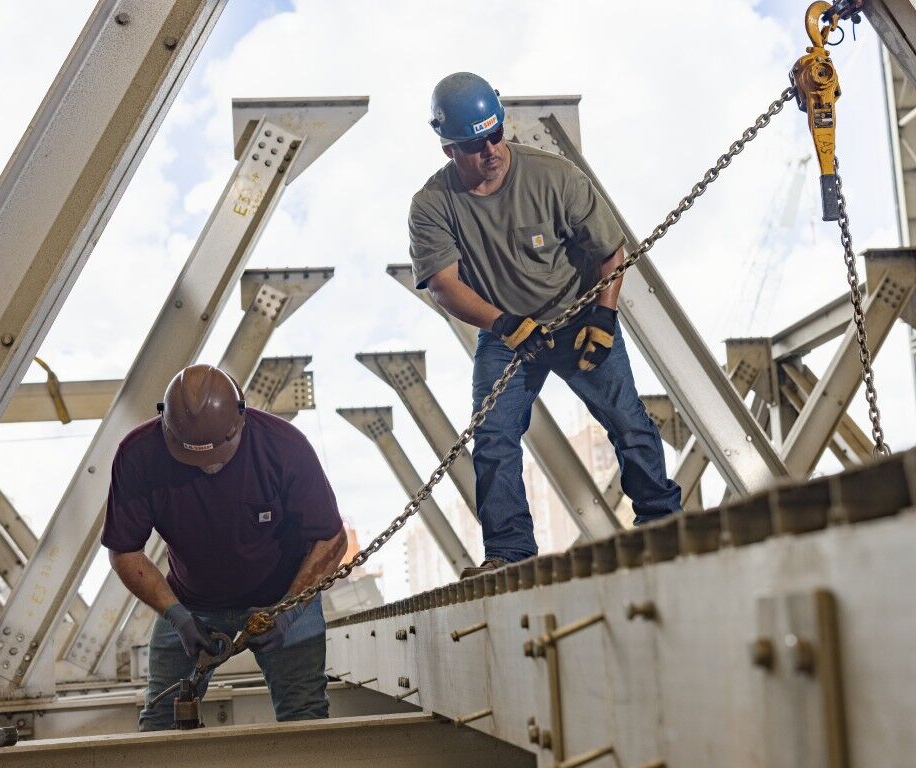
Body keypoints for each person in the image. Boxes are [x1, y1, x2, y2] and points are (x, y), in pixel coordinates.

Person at [409, 72, 682, 578]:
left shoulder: (552, 177)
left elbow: (609, 253)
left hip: (580, 318)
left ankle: (662, 525)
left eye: (496, 134)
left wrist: (604, 315)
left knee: (627, 420)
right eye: (475, 143)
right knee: (493, 438)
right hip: (507, 334)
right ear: (449, 147)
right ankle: (510, 553)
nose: (492, 150)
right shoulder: (432, 205)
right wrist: (506, 324)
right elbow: (445, 285)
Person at [101, 363, 347, 730]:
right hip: (190, 603)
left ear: (242, 417)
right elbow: (125, 551)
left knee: (305, 719)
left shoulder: (283, 446)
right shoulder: (139, 454)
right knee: (160, 721)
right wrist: (178, 617)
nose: (208, 467)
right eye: (194, 457)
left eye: (218, 454)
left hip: (285, 594)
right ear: (166, 425)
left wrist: (287, 612)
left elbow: (331, 539)